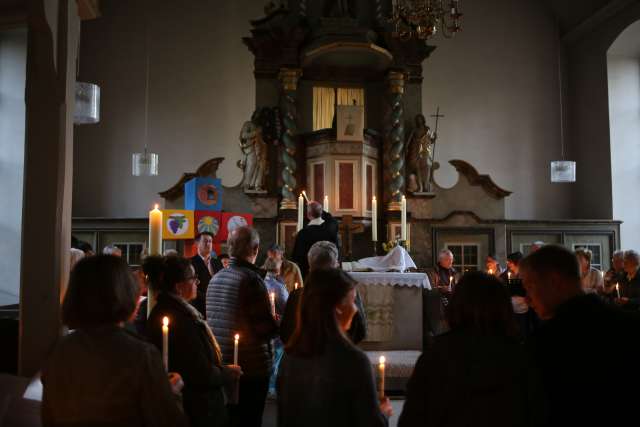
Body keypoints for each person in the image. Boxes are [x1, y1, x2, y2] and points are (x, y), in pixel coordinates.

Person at [41, 255, 188, 427]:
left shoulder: (59, 352)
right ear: (126, 294)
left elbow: (49, 417)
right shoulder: (141, 355)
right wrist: (171, 394)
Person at [399, 272, 545, 427]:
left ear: (457, 305)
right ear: (503, 308)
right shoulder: (519, 356)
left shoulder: (436, 355)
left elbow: (412, 418)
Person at [521, 245, 640, 427]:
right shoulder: (626, 324)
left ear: (554, 281)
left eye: (529, 286)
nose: (527, 298)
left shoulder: (548, 343)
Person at [278, 268, 391, 427]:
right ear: (338, 307)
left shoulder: (290, 356)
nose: (355, 309)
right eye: (352, 301)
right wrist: (383, 414)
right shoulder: (353, 360)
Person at [148, 256, 241, 427]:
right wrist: (226, 373)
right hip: (196, 408)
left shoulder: (176, 312)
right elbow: (199, 371)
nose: (197, 282)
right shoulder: (179, 319)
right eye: (193, 278)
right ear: (178, 287)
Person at [207, 226, 278, 427]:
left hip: (223, 363)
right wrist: (277, 322)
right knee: (249, 419)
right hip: (251, 367)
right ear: (255, 248)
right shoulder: (251, 280)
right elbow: (264, 328)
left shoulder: (215, 278)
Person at [280, 241, 367, 345]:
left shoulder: (296, 296)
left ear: (310, 266)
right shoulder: (347, 294)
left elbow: (285, 333)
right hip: (339, 356)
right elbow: (360, 331)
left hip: (302, 357)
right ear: (335, 265)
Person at [291, 201, 339, 278]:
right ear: (321, 213)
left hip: (309, 275)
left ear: (308, 215)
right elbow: (336, 251)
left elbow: (297, 257)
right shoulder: (330, 230)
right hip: (329, 274)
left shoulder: (303, 233)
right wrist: (318, 209)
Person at [263, 257, 289, 397]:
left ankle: (268, 386)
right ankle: (272, 388)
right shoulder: (278, 286)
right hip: (278, 326)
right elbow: (287, 305)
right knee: (277, 358)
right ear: (277, 268)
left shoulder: (261, 282)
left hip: (264, 326)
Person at [191, 232, 224, 317]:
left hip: (218, 307)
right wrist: (209, 299)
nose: (208, 243)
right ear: (197, 243)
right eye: (205, 241)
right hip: (200, 307)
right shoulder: (191, 262)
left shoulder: (217, 262)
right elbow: (192, 286)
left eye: (210, 241)